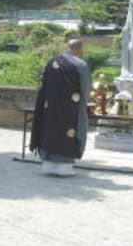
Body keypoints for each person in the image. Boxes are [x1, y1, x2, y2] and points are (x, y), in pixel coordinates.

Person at [30, 39, 91, 176]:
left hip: (49, 108)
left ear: (67, 47)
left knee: (50, 132)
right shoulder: (80, 65)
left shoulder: (51, 62)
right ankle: (64, 166)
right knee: (68, 133)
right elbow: (86, 89)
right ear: (79, 49)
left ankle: (48, 164)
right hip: (71, 109)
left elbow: (43, 85)